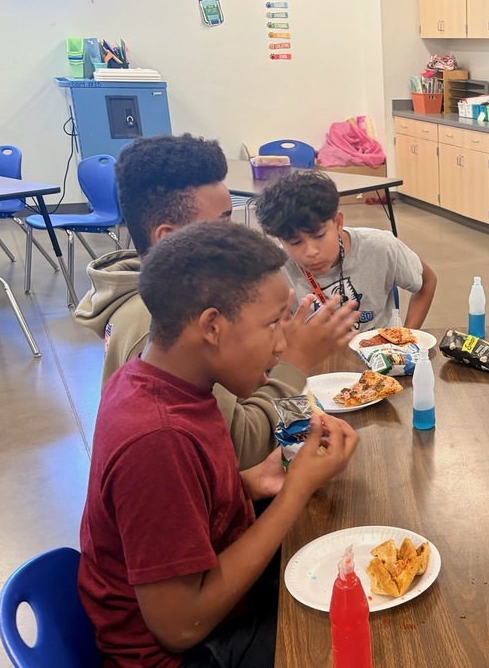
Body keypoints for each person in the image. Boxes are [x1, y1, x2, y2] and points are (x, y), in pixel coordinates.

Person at [78, 221, 360, 667]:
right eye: (272, 324)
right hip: (182, 653)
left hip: (218, 601)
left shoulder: (168, 381)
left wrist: (249, 482)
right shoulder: (157, 438)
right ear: (212, 326)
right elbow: (179, 627)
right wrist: (296, 491)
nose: (284, 343)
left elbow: (186, 499)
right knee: (359, 635)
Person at [75, 134, 358, 470]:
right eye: (224, 220)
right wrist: (296, 361)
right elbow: (237, 446)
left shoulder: (168, 297)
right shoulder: (158, 321)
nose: (238, 233)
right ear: (170, 239)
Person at [255, 170, 437, 330]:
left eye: (319, 236)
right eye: (295, 242)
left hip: (378, 359)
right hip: (313, 364)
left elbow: (427, 281)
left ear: (338, 223)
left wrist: (406, 336)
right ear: (280, 239)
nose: (311, 252)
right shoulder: (276, 271)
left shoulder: (380, 246)